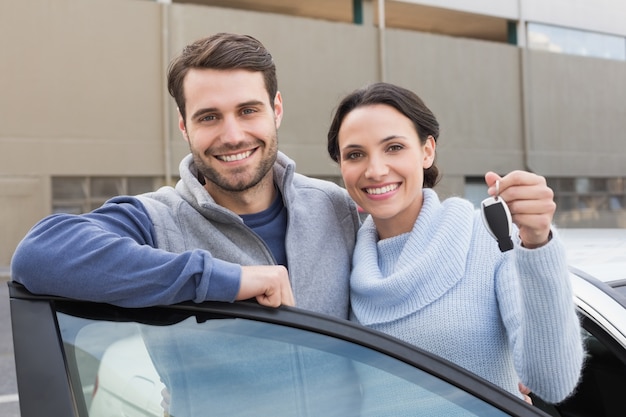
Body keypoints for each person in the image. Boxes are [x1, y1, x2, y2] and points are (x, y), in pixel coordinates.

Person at [10, 33, 360, 318]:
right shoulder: (157, 221)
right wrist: (222, 279)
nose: (233, 135)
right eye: (209, 117)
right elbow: (39, 254)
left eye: (248, 110)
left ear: (276, 110)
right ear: (184, 126)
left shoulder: (336, 207)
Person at [326, 82, 584, 404]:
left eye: (394, 147)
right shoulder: (339, 258)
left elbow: (553, 383)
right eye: (355, 154)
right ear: (341, 166)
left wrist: (537, 243)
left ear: (427, 150)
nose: (375, 170)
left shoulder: (490, 239)